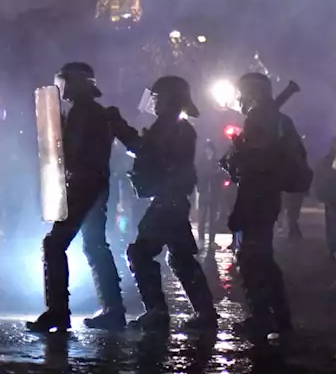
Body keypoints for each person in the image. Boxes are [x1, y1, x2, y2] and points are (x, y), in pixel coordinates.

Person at [110, 76, 217, 330]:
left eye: (158, 97)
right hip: (174, 199)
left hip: (167, 200)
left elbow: (145, 150)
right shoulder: (179, 127)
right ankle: (205, 313)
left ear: (169, 98)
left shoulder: (170, 126)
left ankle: (157, 311)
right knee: (180, 258)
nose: (154, 103)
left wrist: (120, 129)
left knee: (140, 252)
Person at [26, 62, 125, 333]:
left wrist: (57, 131)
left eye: (66, 81)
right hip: (95, 184)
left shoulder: (84, 112)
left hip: (84, 184)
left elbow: (70, 150)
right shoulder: (92, 112)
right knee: (94, 245)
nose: (62, 87)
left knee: (54, 244)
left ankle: (58, 312)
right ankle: (113, 310)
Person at [221, 73, 309, 341]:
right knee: (263, 259)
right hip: (263, 196)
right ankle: (280, 318)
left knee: (251, 259)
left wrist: (240, 153)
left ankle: (262, 317)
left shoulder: (264, 118)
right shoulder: (274, 119)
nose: (240, 99)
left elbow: (259, 159)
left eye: (243, 93)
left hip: (258, 197)